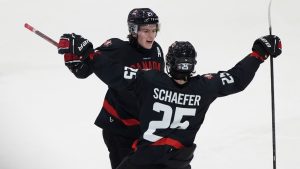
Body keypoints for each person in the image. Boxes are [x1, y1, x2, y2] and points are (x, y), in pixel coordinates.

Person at [58, 33, 282, 169]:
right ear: (193, 65)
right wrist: (258, 54)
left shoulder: (150, 80)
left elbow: (115, 73)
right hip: (179, 162)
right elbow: (237, 78)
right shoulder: (205, 87)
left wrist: (88, 53)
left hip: (143, 161)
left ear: (169, 63)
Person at [57, 8, 165, 169]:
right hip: (118, 128)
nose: (151, 35)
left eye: (154, 29)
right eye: (146, 30)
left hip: (144, 129)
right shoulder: (116, 47)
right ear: (133, 30)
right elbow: (83, 70)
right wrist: (72, 56)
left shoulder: (156, 50)